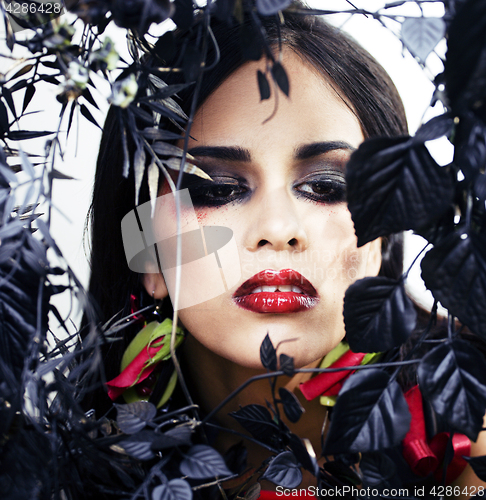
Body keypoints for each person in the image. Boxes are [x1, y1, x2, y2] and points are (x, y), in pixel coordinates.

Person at [85, 6, 486, 497]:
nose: (278, 229)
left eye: (325, 185)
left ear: (384, 232)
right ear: (145, 249)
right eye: (216, 189)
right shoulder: (64, 462)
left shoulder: (471, 430)